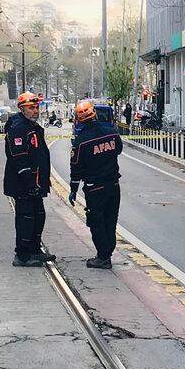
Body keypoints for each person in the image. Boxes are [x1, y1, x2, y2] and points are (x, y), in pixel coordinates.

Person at [69, 101, 123, 269]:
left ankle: (103, 256)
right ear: (94, 114)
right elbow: (118, 150)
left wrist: (73, 190)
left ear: (79, 119)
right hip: (113, 185)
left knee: (96, 221)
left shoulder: (80, 142)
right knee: (110, 220)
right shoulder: (112, 133)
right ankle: (108, 252)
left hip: (95, 188)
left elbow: (76, 168)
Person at [4, 91, 55, 267]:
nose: (35, 111)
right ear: (22, 109)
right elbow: (19, 158)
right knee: (26, 218)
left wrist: (42, 181)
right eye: (31, 108)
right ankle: (22, 255)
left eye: (37, 107)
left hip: (36, 182)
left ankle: (34, 249)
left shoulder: (33, 128)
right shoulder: (19, 128)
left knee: (39, 215)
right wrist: (29, 182)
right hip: (23, 185)